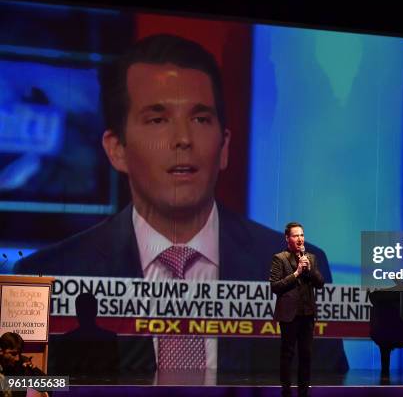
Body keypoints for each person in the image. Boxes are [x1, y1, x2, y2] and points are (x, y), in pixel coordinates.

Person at [14, 34, 347, 376]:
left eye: (200, 119)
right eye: (158, 119)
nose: (183, 139)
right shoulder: (44, 279)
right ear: (117, 149)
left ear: (224, 146)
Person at [270, 222, 324, 397]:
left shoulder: (311, 258)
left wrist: (309, 270)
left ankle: (303, 391)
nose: (300, 239)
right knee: (287, 353)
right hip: (289, 314)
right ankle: (286, 390)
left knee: (306, 354)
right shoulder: (280, 258)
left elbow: (320, 283)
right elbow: (275, 286)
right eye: (295, 235)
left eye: (302, 235)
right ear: (287, 238)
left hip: (307, 314)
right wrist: (296, 273)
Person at [0, 332, 47, 397]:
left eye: (19, 353)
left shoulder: (21, 363)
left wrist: (32, 369)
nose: (17, 358)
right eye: (13, 354)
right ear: (1, 351)